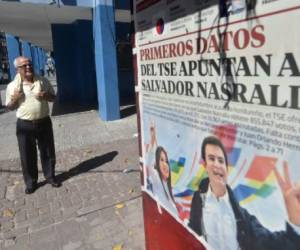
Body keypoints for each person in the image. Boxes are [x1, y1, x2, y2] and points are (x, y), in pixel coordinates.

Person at [188, 136, 300, 250]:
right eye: (211, 159)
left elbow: (271, 243)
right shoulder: (198, 198)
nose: (217, 164)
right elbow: (193, 231)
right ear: (205, 165)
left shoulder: (243, 219)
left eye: (221, 161)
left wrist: (296, 224)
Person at [5, 56, 61, 194]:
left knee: (48, 152)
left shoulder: (42, 80)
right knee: (27, 155)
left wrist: (45, 96)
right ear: (17, 69)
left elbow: (54, 98)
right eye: (24, 66)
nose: (28, 67)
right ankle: (31, 183)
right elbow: (9, 107)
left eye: (29, 64)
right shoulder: (12, 86)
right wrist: (15, 99)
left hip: (44, 122)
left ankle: (50, 177)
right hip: (24, 125)